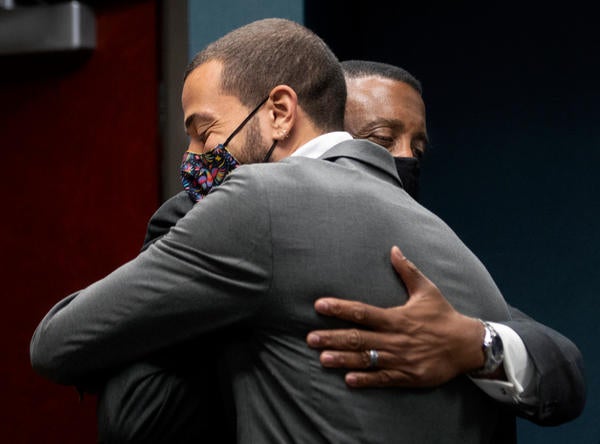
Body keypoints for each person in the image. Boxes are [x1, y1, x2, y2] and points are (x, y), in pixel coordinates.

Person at [31, 18, 516, 443]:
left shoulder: (254, 199)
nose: (192, 155)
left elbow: (56, 343)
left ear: (280, 112)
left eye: (204, 130)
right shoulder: (454, 252)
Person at [306, 60, 586, 425]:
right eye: (382, 140)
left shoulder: (424, 267)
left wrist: (478, 346)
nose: (406, 157)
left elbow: (563, 375)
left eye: (418, 149)